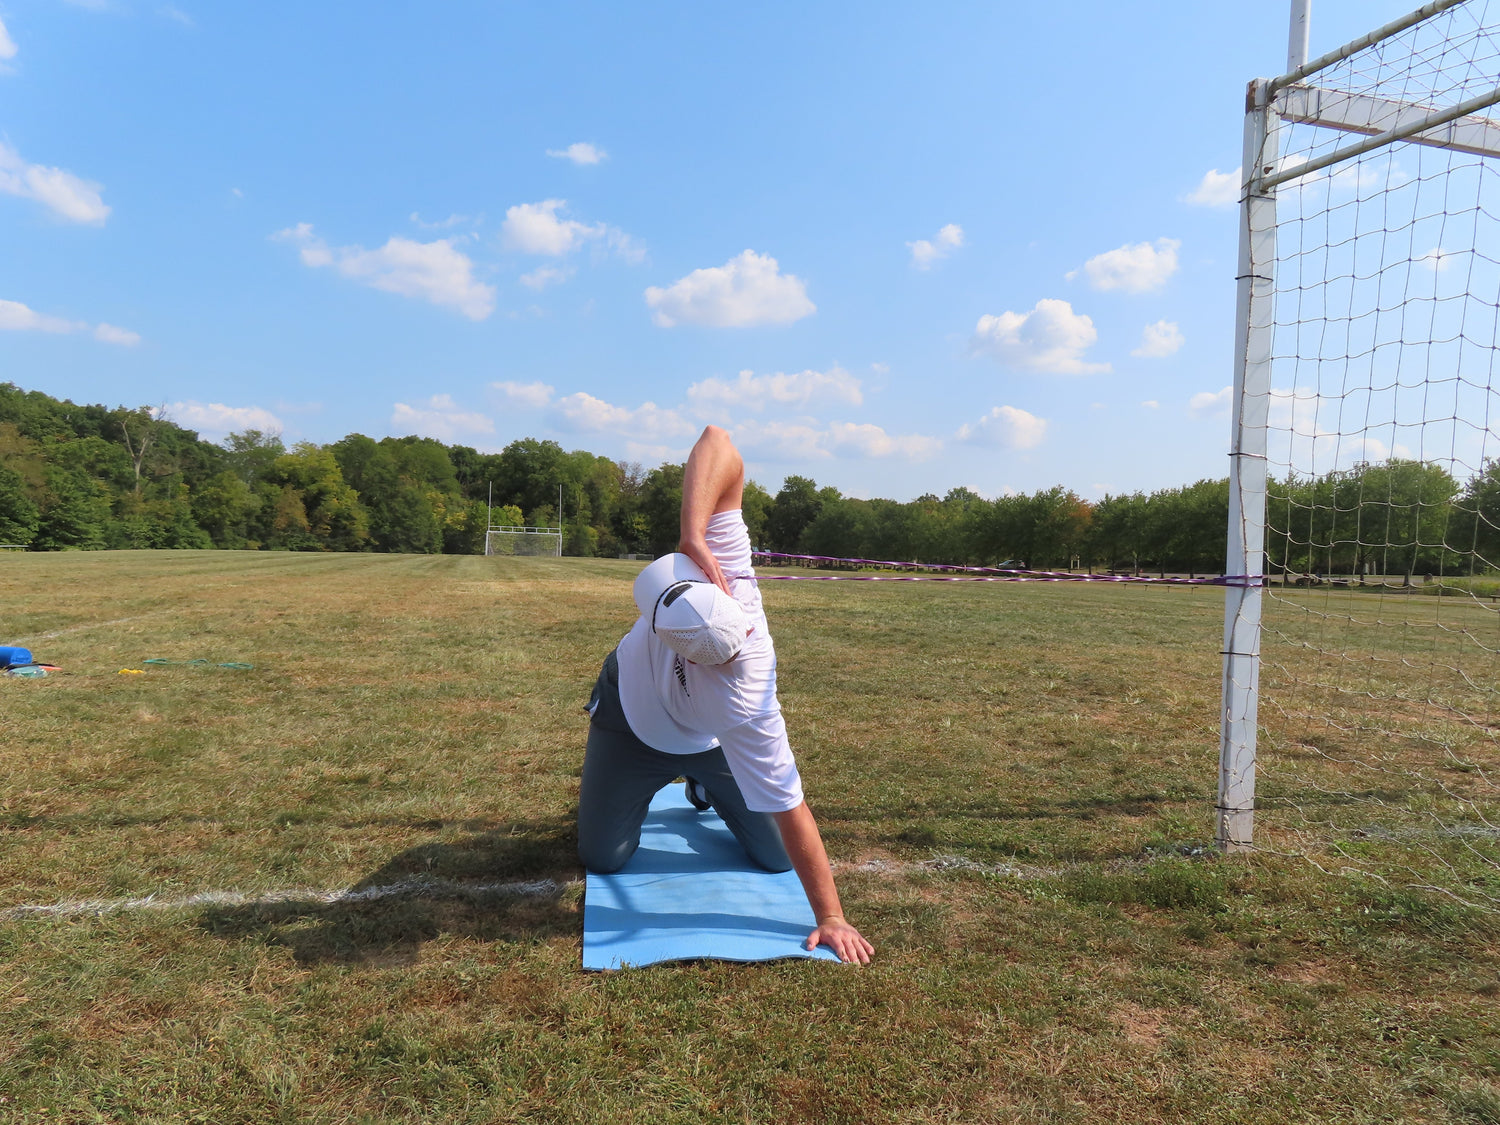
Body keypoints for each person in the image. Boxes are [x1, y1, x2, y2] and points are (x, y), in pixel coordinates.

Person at [578, 425, 874, 965]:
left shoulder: (747, 709)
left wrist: (830, 916)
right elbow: (718, 440)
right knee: (604, 858)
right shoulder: (725, 571)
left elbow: (790, 805)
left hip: (712, 739)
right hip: (632, 717)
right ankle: (656, 780)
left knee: (774, 857)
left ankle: (701, 780)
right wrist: (693, 534)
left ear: (686, 654)